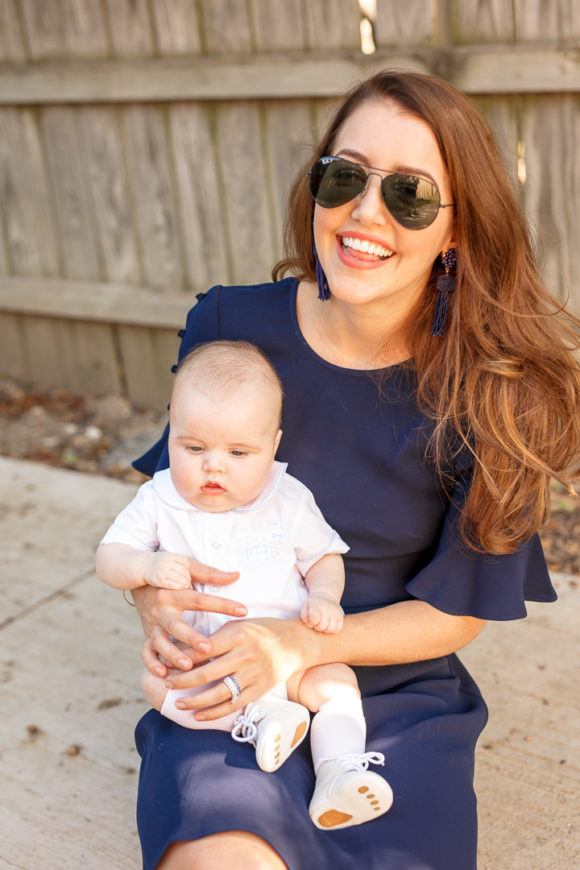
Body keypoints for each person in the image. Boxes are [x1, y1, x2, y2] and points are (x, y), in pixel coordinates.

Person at [127, 70, 580, 870]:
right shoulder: (228, 325)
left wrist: (298, 643)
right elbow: (175, 501)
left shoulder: (496, 394)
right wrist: (156, 602)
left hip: (391, 687)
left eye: (408, 194)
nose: (366, 212)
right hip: (230, 673)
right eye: (345, 177)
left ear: (457, 231)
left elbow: (458, 610)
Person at [96, 340, 393, 830]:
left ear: (272, 445)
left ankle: (339, 772)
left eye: (238, 452)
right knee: (158, 686)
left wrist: (324, 596)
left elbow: (323, 556)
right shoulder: (159, 499)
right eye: (194, 448)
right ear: (171, 431)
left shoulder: (287, 497)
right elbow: (109, 558)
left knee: (336, 683)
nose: (214, 466)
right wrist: (145, 569)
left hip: (291, 652)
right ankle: (253, 723)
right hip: (206, 664)